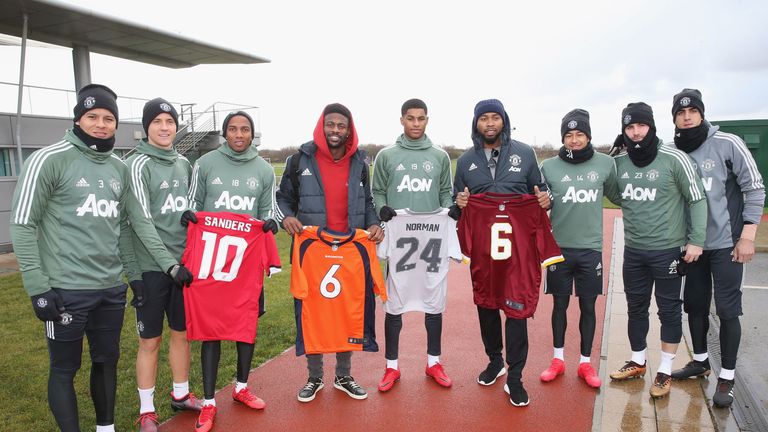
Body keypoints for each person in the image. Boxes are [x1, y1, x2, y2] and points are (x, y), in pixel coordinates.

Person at [9, 84, 192, 432]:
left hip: (109, 288)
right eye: (92, 116)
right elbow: (22, 226)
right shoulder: (48, 159)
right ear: (78, 119)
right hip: (64, 289)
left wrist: (146, 272)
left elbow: (130, 224)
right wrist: (37, 286)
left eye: (109, 118)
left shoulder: (118, 168)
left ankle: (105, 429)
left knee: (106, 362)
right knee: (64, 369)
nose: (101, 124)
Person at [275, 102, 383, 403]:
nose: (335, 130)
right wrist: (286, 217)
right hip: (313, 251)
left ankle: (344, 375)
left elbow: (368, 202)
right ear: (321, 125)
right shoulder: (300, 159)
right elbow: (283, 198)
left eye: (341, 125)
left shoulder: (360, 162)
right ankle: (314, 377)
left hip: (349, 248)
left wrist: (374, 224)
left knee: (347, 310)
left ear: (349, 130)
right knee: (313, 313)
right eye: (331, 124)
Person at [668, 89, 765, 407]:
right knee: (694, 306)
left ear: (701, 113)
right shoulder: (672, 151)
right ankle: (700, 362)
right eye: (681, 112)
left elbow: (754, 187)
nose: (687, 116)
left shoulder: (727, 143)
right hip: (693, 246)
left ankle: (727, 377)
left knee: (727, 310)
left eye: (692, 111)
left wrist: (748, 236)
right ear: (675, 118)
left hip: (727, 244)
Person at [183, 111, 278, 432]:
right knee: (211, 329)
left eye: (245, 129)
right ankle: (209, 402)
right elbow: (193, 202)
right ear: (225, 133)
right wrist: (190, 215)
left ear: (252, 134)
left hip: (246, 263)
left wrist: (271, 222)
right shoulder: (206, 163)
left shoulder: (264, 169)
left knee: (245, 323)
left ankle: (241, 387)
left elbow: (268, 210)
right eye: (233, 129)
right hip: (211, 260)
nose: (239, 134)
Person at [453, 99, 551, 407]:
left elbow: (543, 192)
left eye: (495, 117)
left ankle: (515, 377)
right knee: (486, 305)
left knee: (516, 309)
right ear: (476, 124)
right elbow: (457, 205)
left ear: (504, 120)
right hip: (484, 250)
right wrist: (460, 204)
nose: (490, 123)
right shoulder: (466, 160)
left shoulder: (524, 153)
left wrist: (549, 200)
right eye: (484, 119)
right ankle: (495, 360)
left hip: (518, 250)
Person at [607, 102, 707, 399]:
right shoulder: (621, 162)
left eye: (640, 125)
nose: (636, 132)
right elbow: (615, 194)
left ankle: (664, 370)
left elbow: (697, 199)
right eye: (629, 127)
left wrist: (696, 240)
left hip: (667, 250)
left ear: (651, 126)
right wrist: (612, 158)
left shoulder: (674, 158)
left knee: (668, 310)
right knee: (635, 308)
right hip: (634, 250)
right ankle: (638, 361)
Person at [125, 98, 201, 431]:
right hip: (154, 268)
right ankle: (146, 411)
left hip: (181, 267)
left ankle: (181, 395)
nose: (165, 127)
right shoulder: (137, 164)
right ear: (146, 127)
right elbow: (141, 224)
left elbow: (190, 212)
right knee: (150, 341)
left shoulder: (183, 163)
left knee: (182, 334)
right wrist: (170, 265)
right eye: (157, 121)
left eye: (170, 121)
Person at [371, 98, 455, 391]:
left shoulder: (440, 156)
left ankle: (433, 362)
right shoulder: (386, 156)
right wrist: (383, 210)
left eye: (421, 118)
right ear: (402, 120)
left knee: (433, 300)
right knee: (394, 304)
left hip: (431, 237)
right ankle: (391, 367)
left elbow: (446, 191)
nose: (416, 123)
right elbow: (377, 191)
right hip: (400, 239)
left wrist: (447, 212)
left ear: (427, 120)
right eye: (410, 118)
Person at [538, 109, 617, 389]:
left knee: (588, 306)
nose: (574, 140)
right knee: (559, 304)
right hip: (558, 248)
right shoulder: (548, 167)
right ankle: (557, 359)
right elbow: (538, 202)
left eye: (579, 134)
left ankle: (585, 363)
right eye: (569, 135)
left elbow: (620, 194)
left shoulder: (606, 164)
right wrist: (543, 203)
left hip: (590, 249)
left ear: (588, 136)